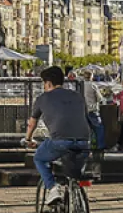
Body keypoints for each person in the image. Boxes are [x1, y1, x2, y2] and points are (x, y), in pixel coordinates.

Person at [26, 66, 92, 203]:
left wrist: (28, 139)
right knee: (73, 172)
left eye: (44, 83)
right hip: (84, 141)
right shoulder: (78, 96)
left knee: (39, 158)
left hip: (60, 141)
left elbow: (32, 123)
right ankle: (76, 199)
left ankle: (52, 188)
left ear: (48, 83)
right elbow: (85, 117)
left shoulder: (42, 99)